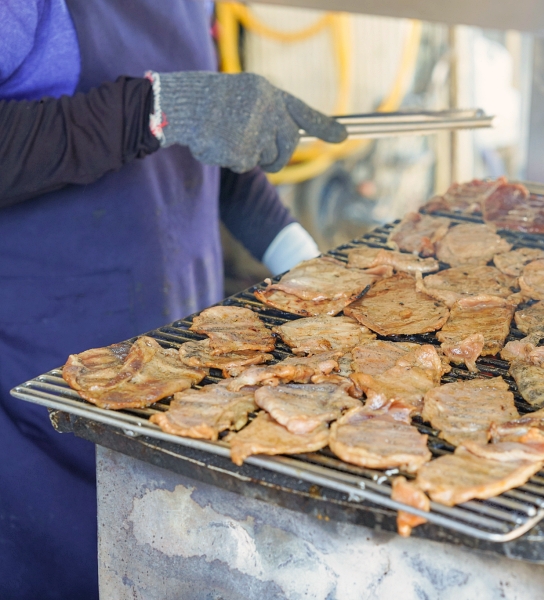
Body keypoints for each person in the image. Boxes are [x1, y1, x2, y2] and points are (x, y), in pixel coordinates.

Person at [0, 1, 346, 597]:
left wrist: (306, 263)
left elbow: (202, 140)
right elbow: (165, 113)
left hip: (183, 376)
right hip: (50, 391)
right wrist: (154, 109)